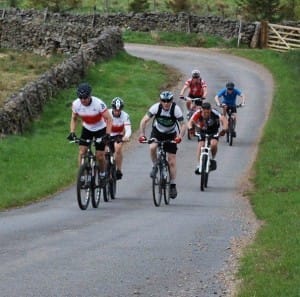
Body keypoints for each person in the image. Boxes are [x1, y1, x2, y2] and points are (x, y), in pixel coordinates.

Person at [138, 91, 186, 199]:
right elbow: (144, 120)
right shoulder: (156, 108)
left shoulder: (175, 109)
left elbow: (183, 125)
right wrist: (142, 134)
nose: (166, 103)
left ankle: (173, 185)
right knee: (152, 147)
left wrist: (180, 137)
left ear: (172, 101)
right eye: (163, 101)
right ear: (160, 101)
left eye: (168, 101)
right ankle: (155, 165)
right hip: (157, 132)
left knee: (172, 160)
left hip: (171, 134)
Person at [67, 82, 113, 184]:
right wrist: (72, 132)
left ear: (90, 95)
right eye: (81, 98)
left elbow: (109, 119)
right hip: (87, 129)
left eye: (85, 97)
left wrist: (108, 134)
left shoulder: (98, 104)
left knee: (100, 155)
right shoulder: (76, 104)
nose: (83, 100)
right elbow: (74, 119)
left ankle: (102, 173)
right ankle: (82, 176)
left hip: (100, 129)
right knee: (82, 152)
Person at [188, 102, 228, 174]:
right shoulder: (198, 112)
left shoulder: (214, 112)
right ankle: (199, 164)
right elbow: (190, 122)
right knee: (201, 145)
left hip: (213, 130)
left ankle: (212, 159)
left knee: (214, 144)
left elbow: (224, 120)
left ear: (210, 110)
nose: (206, 114)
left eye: (208, 112)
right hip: (202, 130)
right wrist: (191, 129)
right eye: (204, 112)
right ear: (201, 110)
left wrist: (224, 130)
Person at [108, 97, 132, 180]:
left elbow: (128, 129)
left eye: (119, 110)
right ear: (112, 108)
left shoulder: (125, 116)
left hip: (118, 135)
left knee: (118, 148)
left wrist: (126, 136)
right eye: (115, 109)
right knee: (102, 151)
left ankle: (118, 169)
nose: (117, 112)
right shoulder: (107, 113)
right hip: (107, 134)